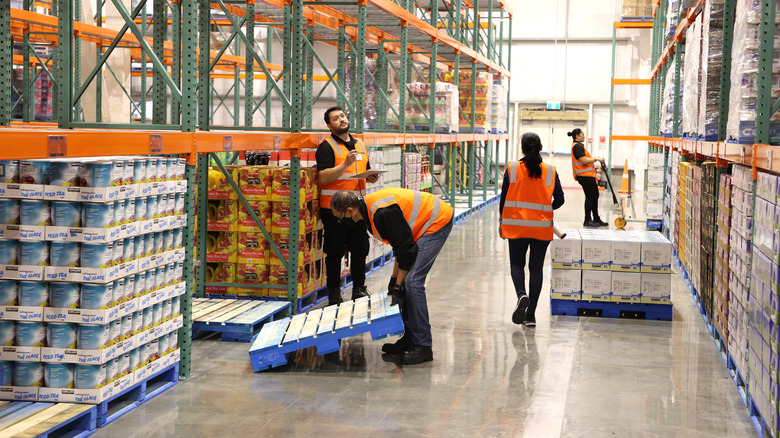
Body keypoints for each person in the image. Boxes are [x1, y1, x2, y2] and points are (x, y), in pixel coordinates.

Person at [330, 188, 453, 365]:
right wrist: (394, 281)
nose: (341, 222)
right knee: (403, 283)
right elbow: (400, 245)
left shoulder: (381, 213)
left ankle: (423, 346)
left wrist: (397, 285)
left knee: (412, 282)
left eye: (341, 218)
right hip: (423, 226)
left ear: (350, 210)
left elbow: (406, 251)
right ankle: (411, 338)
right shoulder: (370, 213)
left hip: (436, 221)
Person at [316, 107, 380, 305]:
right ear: (329, 125)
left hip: (358, 209)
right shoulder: (326, 147)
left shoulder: (360, 143)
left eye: (342, 116)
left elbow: (364, 170)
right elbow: (323, 178)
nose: (341, 120)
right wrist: (344, 164)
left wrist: (371, 177)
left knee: (360, 249)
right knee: (334, 252)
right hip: (335, 211)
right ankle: (334, 293)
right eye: (336, 118)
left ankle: (359, 289)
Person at [500, 132, 564, 327]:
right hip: (541, 229)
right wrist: (545, 209)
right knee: (536, 269)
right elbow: (560, 200)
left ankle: (521, 295)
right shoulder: (551, 171)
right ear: (541, 146)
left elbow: (503, 200)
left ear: (522, 149)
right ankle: (531, 315)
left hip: (516, 226)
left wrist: (501, 223)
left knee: (516, 265)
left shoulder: (512, 169)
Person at [568, 128, 608, 227]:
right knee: (590, 196)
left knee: (595, 196)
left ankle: (596, 218)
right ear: (577, 136)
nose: (584, 136)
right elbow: (584, 160)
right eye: (582, 134)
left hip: (588, 176)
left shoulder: (580, 146)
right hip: (584, 176)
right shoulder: (577, 146)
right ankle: (587, 219)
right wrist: (597, 158)